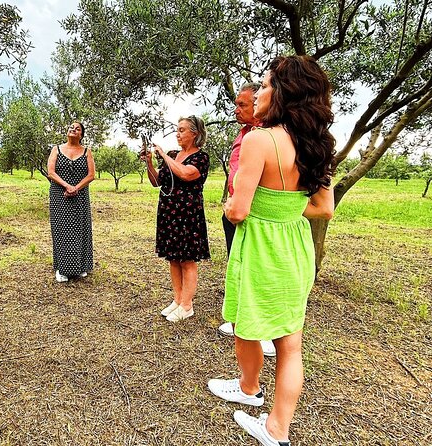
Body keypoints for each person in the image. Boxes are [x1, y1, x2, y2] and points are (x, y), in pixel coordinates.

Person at [207, 55, 335, 446]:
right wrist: (286, 209)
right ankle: (277, 429)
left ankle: (249, 389)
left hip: (262, 248)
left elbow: (239, 209)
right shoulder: (317, 145)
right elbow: (323, 207)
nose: (258, 92)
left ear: (284, 93)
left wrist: (231, 207)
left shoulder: (259, 139)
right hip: (296, 249)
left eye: (264, 85)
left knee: (247, 322)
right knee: (290, 343)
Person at [217, 83, 276, 358]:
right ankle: (241, 319)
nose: (236, 109)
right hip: (235, 208)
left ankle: (264, 332)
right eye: (237, 104)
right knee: (238, 265)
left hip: (256, 213)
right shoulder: (243, 134)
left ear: (261, 103)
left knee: (258, 271)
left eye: (243, 105)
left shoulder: (267, 136)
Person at [141, 116, 211, 322]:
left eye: (182, 130)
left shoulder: (201, 158)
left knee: (187, 259)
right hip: (169, 213)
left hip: (188, 214)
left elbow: (187, 175)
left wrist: (163, 154)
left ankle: (187, 305)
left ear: (195, 134)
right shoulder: (174, 155)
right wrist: (150, 163)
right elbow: (157, 181)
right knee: (173, 257)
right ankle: (178, 300)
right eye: (177, 130)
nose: (177, 134)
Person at [47, 122, 95, 282]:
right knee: (62, 230)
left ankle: (80, 267)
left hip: (80, 196)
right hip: (59, 195)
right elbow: (51, 172)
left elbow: (91, 175)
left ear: (81, 135)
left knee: (80, 228)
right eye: (71, 127)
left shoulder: (87, 151)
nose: (73, 129)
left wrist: (76, 188)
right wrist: (67, 186)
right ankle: (62, 268)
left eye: (78, 128)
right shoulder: (56, 149)